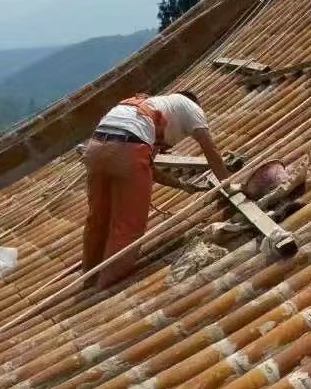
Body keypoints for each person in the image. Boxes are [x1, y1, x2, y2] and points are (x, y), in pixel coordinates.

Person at [82, 90, 231, 289]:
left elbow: (148, 167)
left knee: (98, 217)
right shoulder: (192, 107)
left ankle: (89, 276)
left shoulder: (148, 108)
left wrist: (181, 185)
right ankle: (103, 287)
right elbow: (210, 149)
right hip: (129, 149)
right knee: (127, 227)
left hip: (95, 148)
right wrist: (229, 183)